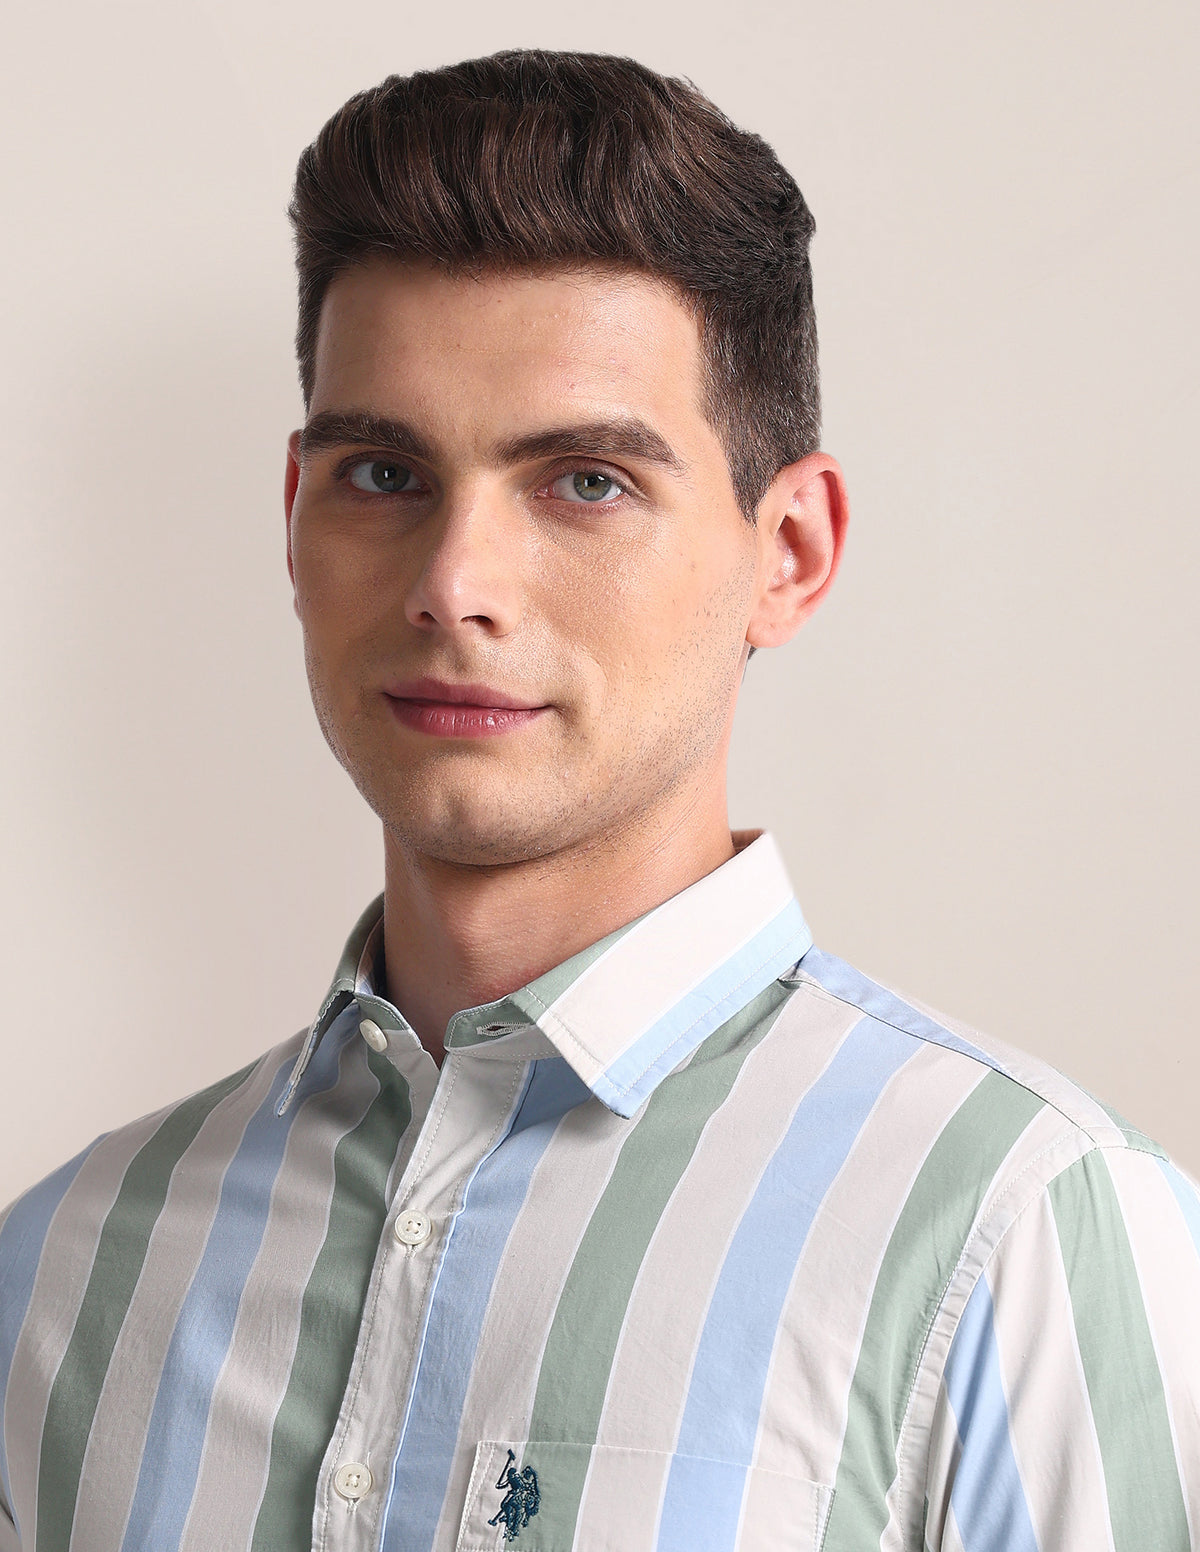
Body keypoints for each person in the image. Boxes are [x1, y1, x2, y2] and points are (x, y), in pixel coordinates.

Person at [0, 48, 1196, 1552]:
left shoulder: (1016, 1232)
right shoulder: (63, 1271)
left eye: (584, 482)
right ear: (295, 518)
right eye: (384, 475)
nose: (455, 586)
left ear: (791, 553)